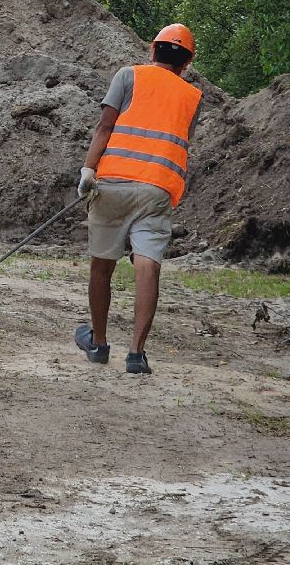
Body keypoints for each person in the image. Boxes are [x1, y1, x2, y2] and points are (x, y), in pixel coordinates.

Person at [74, 23, 202, 375]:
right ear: (187, 63)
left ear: (152, 49)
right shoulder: (192, 97)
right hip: (157, 189)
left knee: (102, 265)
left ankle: (98, 344)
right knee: (148, 266)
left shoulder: (127, 76)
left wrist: (88, 169)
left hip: (113, 184)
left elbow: (105, 127)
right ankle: (136, 354)